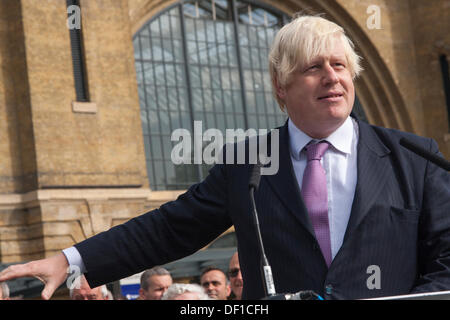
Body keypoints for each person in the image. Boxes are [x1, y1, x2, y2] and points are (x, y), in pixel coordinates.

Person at [0, 14, 449, 300]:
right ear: (281, 86)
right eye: (313, 68)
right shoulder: (248, 164)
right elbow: (169, 229)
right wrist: (71, 259)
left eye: (339, 66)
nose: (332, 77)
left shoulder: (412, 157)